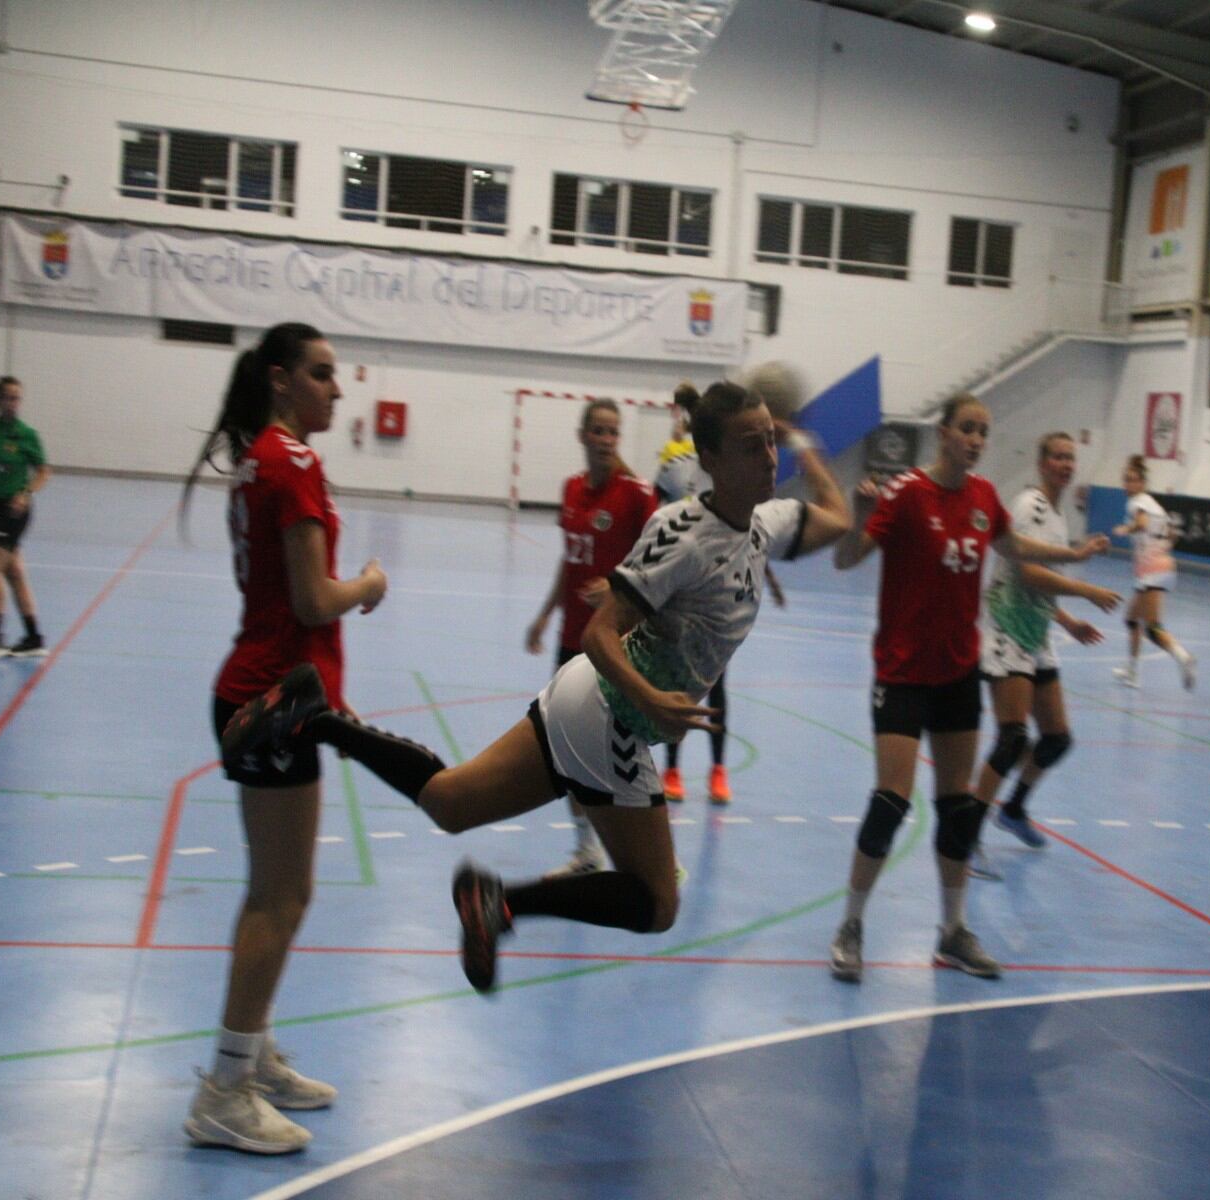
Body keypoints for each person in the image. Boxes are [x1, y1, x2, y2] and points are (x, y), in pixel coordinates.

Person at [222, 381, 850, 1001]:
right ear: (709, 459)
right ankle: (503, 904)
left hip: (588, 706)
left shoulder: (766, 523)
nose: (768, 458)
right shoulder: (685, 531)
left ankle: (318, 715)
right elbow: (601, 635)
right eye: (751, 445)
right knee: (657, 903)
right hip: (613, 715)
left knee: (450, 803)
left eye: (770, 442)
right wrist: (651, 699)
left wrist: (806, 446)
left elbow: (840, 519)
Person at [180, 323, 390, 1154]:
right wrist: (368, 584)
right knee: (283, 896)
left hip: (270, 695)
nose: (337, 389)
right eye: (322, 374)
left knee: (275, 888)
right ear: (280, 380)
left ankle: (252, 1051)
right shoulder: (291, 462)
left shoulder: (262, 459)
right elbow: (311, 600)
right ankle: (224, 1092)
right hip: (273, 699)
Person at [827, 398, 1107, 983]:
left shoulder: (983, 498)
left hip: (957, 673)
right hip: (902, 672)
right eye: (968, 429)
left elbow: (1016, 550)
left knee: (957, 808)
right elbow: (846, 560)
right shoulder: (905, 493)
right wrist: (858, 515)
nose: (977, 439)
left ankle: (952, 932)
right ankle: (851, 924)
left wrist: (1075, 556)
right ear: (943, 434)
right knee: (892, 800)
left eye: (984, 430)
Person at [525, 399, 657, 878]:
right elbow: (569, 559)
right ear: (582, 436)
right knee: (567, 742)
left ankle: (652, 855)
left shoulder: (637, 495)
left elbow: (661, 563)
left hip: (618, 643)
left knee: (619, 750)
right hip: (570, 639)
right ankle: (587, 852)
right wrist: (544, 616)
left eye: (612, 432)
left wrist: (619, 585)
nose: (605, 439)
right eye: (597, 431)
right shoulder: (572, 490)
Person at [974, 432, 1121, 859]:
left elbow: (1040, 584)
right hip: (1007, 632)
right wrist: (1084, 590)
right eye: (1057, 457)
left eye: (1070, 458)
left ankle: (1014, 808)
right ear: (1041, 464)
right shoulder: (1030, 506)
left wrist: (1068, 621)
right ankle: (967, 834)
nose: (1064, 464)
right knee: (1013, 739)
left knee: (1056, 738)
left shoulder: (1058, 518)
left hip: (1036, 636)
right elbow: (1027, 574)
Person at [652, 383, 730, 803]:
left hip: (719, 589)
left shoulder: (727, 468)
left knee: (717, 681)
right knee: (678, 680)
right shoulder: (674, 464)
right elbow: (656, 515)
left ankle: (718, 770)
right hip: (679, 590)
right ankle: (673, 771)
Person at [0, 376, 51, 659]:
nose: (13, 403)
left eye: (17, 398)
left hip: (14, 511)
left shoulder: (25, 434)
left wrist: (26, 492)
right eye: (8, 397)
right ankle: (33, 636)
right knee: (14, 573)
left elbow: (43, 472)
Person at [1111, 455, 1195, 690]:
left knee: (1153, 627)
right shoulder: (1154, 503)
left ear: (1142, 483)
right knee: (1131, 619)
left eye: (1133, 480)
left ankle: (1183, 657)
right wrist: (1161, 548)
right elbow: (1172, 534)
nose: (1128, 484)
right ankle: (1132, 672)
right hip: (1159, 567)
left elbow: (1142, 523)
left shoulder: (1137, 502)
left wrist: (1126, 528)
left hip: (1152, 570)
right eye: (1126, 480)